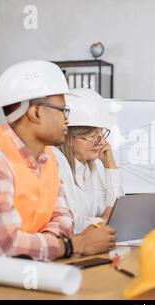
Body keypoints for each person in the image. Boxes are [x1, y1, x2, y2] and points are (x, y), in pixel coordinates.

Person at [0, 60, 116, 261]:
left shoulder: (47, 159)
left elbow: (63, 218)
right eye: (63, 111)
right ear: (36, 112)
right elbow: (4, 245)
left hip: (23, 272)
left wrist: (49, 246)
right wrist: (73, 245)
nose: (67, 120)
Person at [53, 88, 124, 234]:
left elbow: (115, 211)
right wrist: (104, 220)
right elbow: (71, 224)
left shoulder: (87, 166)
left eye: (101, 133)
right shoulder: (55, 162)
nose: (102, 141)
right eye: (93, 135)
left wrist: (110, 167)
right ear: (69, 137)